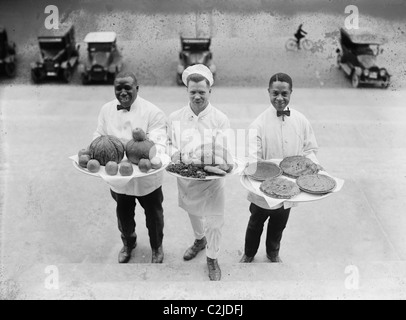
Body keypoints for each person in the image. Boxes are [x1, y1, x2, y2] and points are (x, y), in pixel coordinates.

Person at [240, 72, 320, 263]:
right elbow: (253, 160)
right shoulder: (258, 125)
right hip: (263, 188)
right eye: (275, 93)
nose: (279, 98)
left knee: (279, 223)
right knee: (256, 222)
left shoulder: (301, 120)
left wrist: (313, 165)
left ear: (291, 93)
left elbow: (309, 149)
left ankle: (273, 252)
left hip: (290, 186)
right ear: (268, 92)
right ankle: (249, 253)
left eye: (284, 94)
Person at [93, 71, 167, 264]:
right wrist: (96, 151)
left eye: (128, 88)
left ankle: (156, 247)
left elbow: (158, 144)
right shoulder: (106, 110)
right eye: (119, 88)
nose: (123, 92)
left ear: (137, 88)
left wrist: (141, 153)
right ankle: (128, 243)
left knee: (154, 216)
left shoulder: (153, 112)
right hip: (117, 175)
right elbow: (99, 134)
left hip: (146, 177)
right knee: (123, 214)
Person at [167, 64, 231, 281]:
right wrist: (174, 154)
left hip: (212, 182)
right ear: (187, 91)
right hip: (187, 179)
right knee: (193, 213)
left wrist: (210, 161)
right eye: (192, 92)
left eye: (201, 92)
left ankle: (212, 258)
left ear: (210, 91)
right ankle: (199, 240)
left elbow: (223, 151)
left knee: (215, 222)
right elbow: (168, 144)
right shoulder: (175, 117)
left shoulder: (220, 119)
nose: (197, 97)